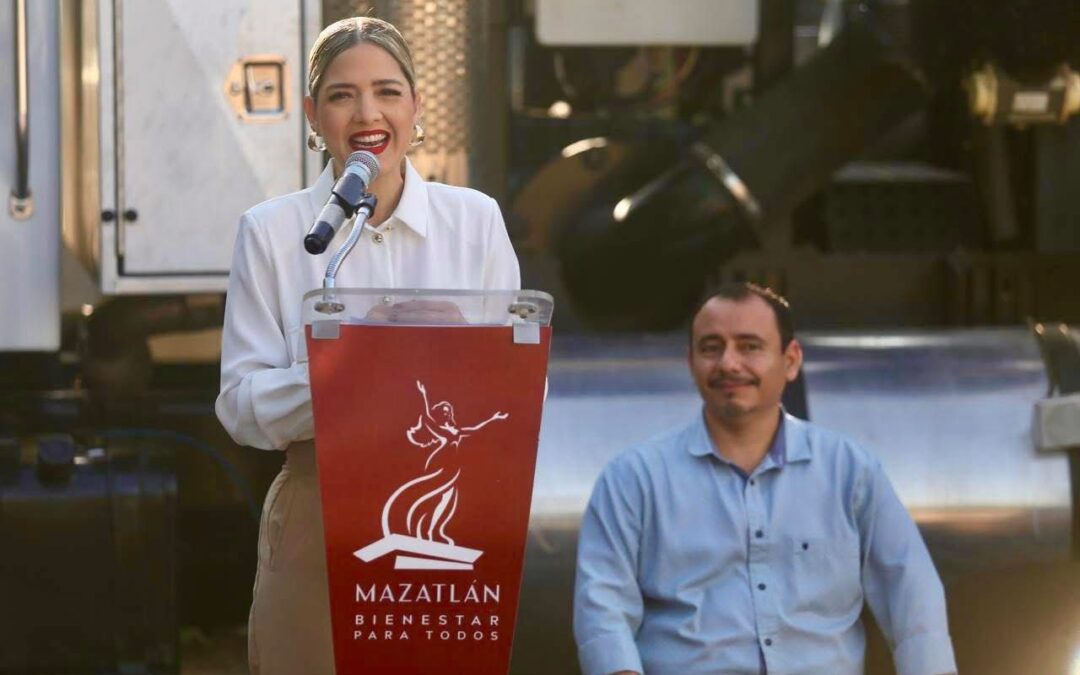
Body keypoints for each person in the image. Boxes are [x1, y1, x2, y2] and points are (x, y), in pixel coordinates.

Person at [215, 16, 520, 675]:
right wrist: (349, 370)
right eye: (341, 95)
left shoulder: (475, 221)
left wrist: (434, 369)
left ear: (416, 106)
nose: (367, 114)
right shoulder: (272, 232)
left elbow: (525, 386)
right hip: (316, 510)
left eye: (387, 91)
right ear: (312, 116)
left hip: (452, 510)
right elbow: (240, 406)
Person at [573, 283, 956, 675]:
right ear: (691, 362)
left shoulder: (850, 471)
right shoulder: (632, 479)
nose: (729, 363)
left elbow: (912, 597)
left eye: (749, 346)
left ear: (791, 361)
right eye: (711, 348)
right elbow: (602, 612)